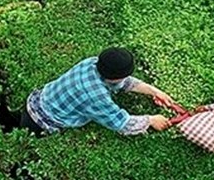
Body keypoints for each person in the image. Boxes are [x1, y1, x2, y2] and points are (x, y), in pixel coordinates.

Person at [16, 48, 173, 137]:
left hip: (37, 99)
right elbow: (122, 124)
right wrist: (151, 120)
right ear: (116, 77)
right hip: (41, 122)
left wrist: (154, 91)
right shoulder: (96, 97)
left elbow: (125, 82)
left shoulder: (92, 62)